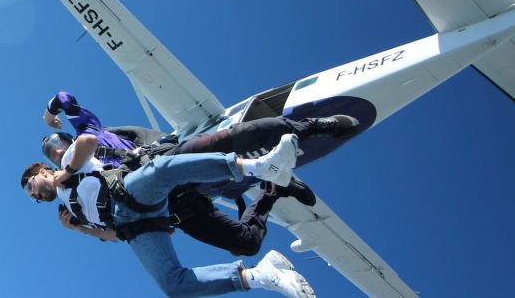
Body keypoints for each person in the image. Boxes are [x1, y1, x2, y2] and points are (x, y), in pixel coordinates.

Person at [40, 91, 359, 256]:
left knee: (230, 138)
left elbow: (65, 98)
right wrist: (82, 229)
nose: (54, 149)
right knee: (245, 244)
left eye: (55, 142)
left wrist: (49, 112)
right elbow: (118, 231)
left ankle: (312, 127)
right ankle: (273, 190)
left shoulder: (90, 132)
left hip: (162, 165)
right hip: (171, 207)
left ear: (66, 138)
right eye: (48, 151)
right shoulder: (73, 194)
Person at [20, 133, 315, 297]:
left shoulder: (65, 167)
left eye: (31, 186)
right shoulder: (71, 213)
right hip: (135, 227)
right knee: (172, 285)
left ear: (42, 171)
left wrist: (67, 172)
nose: (34, 195)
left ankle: (258, 167)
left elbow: (87, 140)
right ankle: (262, 276)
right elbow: (111, 235)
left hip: (128, 192)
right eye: (31, 197)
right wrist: (84, 231)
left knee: (162, 171)